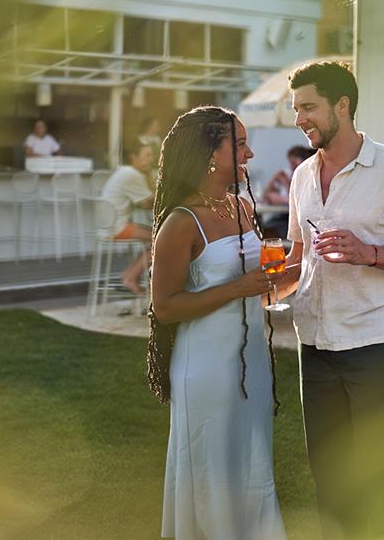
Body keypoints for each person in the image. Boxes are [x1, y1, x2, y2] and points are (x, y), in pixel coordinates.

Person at [275, 61, 384, 539]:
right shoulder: (302, 175)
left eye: (308, 107)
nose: (299, 118)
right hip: (317, 344)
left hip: (377, 343)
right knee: (328, 476)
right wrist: (259, 285)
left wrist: (367, 252)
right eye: (295, 109)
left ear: (342, 106)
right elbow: (298, 257)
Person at [148, 106, 289, 540]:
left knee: (252, 466)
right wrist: (238, 287)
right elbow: (165, 307)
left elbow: (261, 288)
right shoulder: (180, 222)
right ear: (212, 152)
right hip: (206, 366)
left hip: (250, 366)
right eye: (241, 143)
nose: (250, 153)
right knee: (212, 473)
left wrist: (305, 267)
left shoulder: (242, 206)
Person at [101, 142, 155, 293]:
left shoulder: (124, 171)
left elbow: (147, 201)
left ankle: (129, 275)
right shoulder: (132, 175)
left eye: (152, 155)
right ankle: (130, 278)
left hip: (109, 226)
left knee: (156, 239)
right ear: (134, 157)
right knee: (162, 241)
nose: (151, 159)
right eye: (147, 155)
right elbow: (148, 205)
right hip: (117, 227)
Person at [262, 145, 315, 238]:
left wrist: (285, 182)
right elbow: (266, 195)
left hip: (295, 219)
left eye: (293, 162)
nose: (291, 166)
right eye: (290, 162)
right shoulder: (288, 174)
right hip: (284, 216)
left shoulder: (308, 175)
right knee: (264, 228)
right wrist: (274, 180)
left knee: (270, 232)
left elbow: (295, 199)